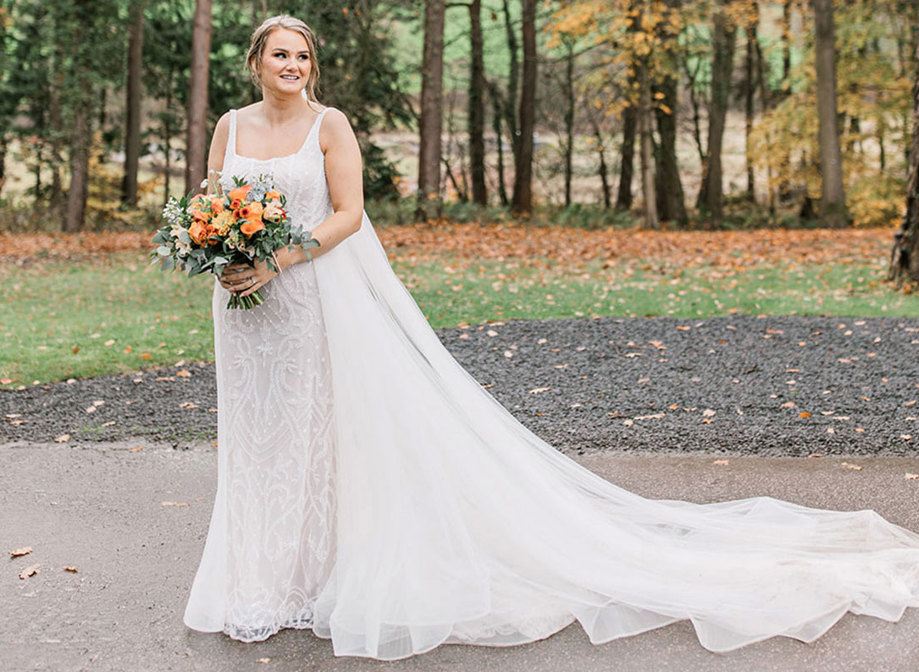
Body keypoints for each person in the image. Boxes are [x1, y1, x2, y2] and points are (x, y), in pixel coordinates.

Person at [184, 14, 919, 661]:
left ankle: (314, 579)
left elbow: (348, 214)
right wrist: (221, 256)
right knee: (256, 438)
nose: (291, 67)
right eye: (279, 56)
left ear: (311, 67)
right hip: (247, 314)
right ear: (256, 62)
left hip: (310, 297)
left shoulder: (329, 124)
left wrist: (278, 258)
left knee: (319, 434)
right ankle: (257, 580)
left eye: (301, 58)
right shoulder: (230, 124)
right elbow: (210, 203)